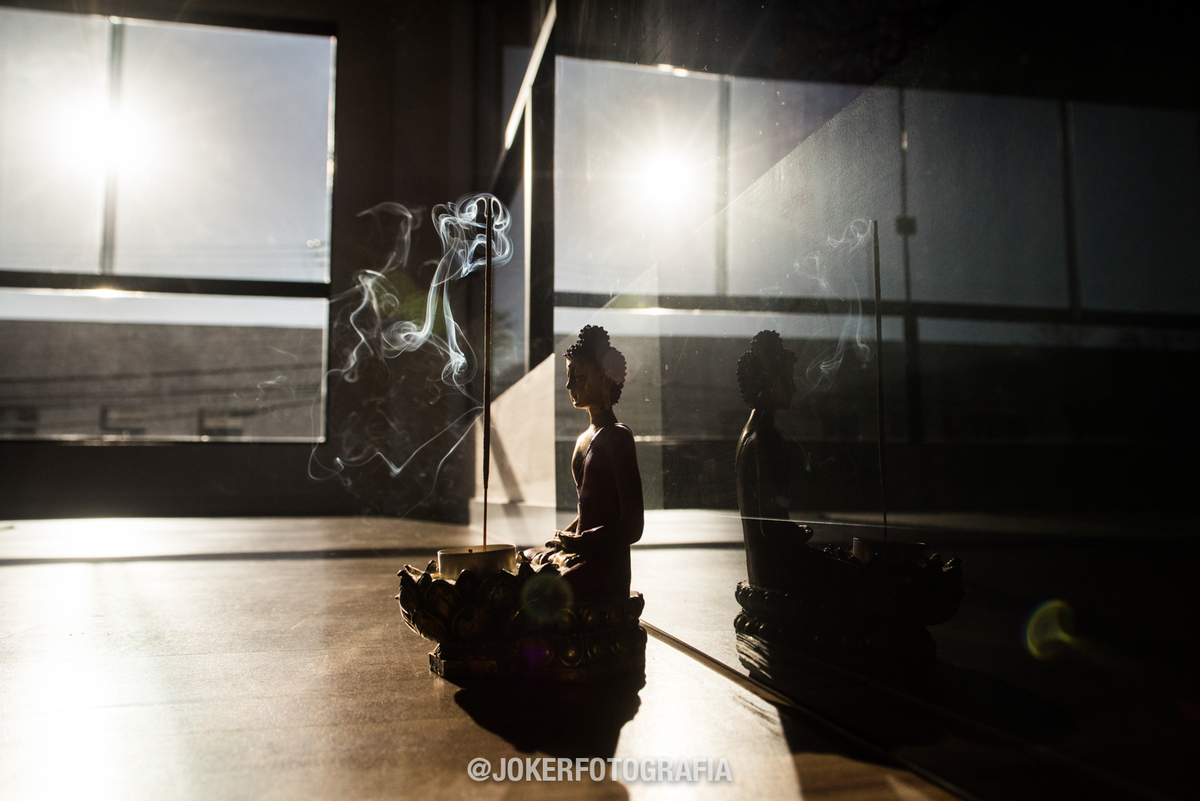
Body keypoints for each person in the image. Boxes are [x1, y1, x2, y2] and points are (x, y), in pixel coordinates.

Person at [523, 326, 644, 601]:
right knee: (525, 559)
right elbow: (591, 509)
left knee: (539, 587)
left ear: (605, 379)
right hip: (580, 551)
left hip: (605, 566)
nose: (569, 386)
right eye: (568, 377)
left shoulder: (618, 437)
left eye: (578, 376)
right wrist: (566, 535)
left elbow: (632, 526)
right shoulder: (584, 439)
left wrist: (582, 540)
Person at [735, 330, 812, 590]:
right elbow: (772, 526)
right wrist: (801, 532)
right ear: (768, 381)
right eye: (787, 378)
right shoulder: (766, 438)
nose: (794, 387)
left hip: (761, 569)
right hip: (775, 572)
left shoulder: (751, 431)